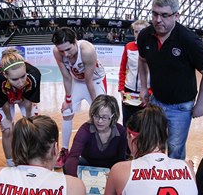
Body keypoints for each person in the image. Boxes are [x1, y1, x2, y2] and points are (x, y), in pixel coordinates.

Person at [137, 0, 203, 159]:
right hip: (156, 101)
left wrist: (200, 104)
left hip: (181, 107)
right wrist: (144, 87)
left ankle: (174, 182)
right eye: (155, 14)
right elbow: (142, 60)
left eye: (164, 15)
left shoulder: (189, 40)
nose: (158, 20)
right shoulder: (145, 36)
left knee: (175, 148)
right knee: (152, 144)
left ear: (176, 15)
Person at [52, 27, 107, 167]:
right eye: (62, 51)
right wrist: (67, 99)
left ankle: (101, 151)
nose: (66, 54)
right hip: (77, 81)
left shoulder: (87, 51)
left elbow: (89, 80)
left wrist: (96, 103)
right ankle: (64, 150)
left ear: (75, 41)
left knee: (101, 114)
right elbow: (66, 77)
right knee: (66, 111)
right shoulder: (57, 52)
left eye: (68, 49)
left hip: (95, 81)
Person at [0, 47, 41, 167]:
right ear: (5, 75)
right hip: (6, 98)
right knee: (7, 130)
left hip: (25, 96)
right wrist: (8, 119)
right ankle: (10, 163)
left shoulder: (34, 75)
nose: (21, 82)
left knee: (33, 127)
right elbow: (3, 103)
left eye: (23, 76)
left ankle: (32, 157)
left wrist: (29, 120)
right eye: (15, 79)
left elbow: (28, 102)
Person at [64, 94, 127, 176]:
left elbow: (121, 159)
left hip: (111, 168)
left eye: (104, 117)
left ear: (113, 116)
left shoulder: (121, 131)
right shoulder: (85, 130)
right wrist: (74, 179)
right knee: (67, 166)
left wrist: (115, 173)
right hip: (88, 164)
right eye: (96, 116)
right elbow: (73, 156)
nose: (99, 121)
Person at [118, 19, 150, 125]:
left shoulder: (153, 49)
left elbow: (157, 74)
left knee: (142, 124)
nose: (138, 34)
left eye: (142, 31)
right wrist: (121, 88)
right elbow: (122, 69)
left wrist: (150, 92)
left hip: (145, 92)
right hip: (128, 90)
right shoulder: (128, 47)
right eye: (136, 31)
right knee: (127, 122)